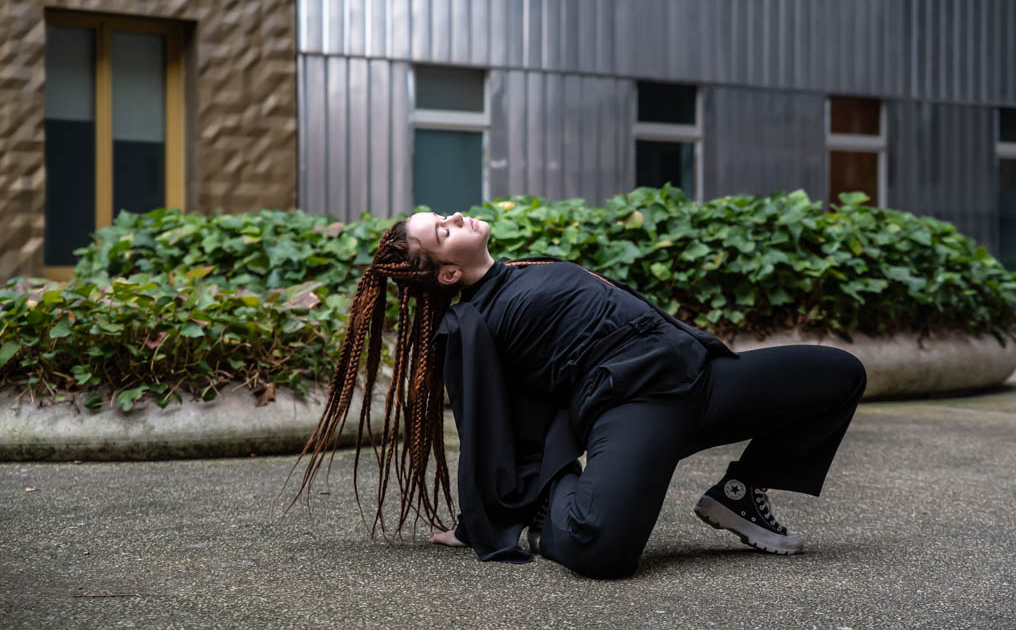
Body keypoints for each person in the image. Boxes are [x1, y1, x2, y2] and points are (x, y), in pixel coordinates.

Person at [289, 210, 866, 579]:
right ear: (445, 275)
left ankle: (737, 494)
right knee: (602, 550)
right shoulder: (473, 325)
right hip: (637, 408)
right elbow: (485, 421)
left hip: (703, 377)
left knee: (838, 373)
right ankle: (551, 509)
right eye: (441, 230)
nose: (455, 217)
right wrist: (482, 520)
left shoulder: (520, 266)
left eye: (442, 215)